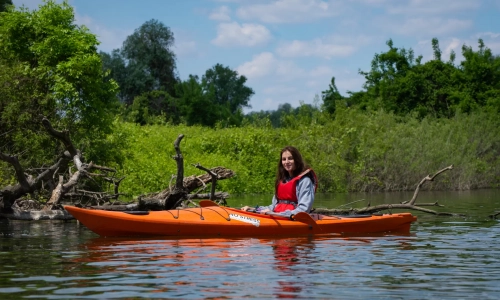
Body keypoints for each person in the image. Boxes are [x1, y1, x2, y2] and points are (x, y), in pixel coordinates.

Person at [241, 146, 317, 218]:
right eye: (284, 159)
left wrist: (278, 214)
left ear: (296, 160)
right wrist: (255, 209)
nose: (287, 162)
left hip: (292, 219)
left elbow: (303, 209)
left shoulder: (305, 181)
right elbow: (273, 206)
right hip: (278, 217)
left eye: (290, 158)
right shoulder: (282, 181)